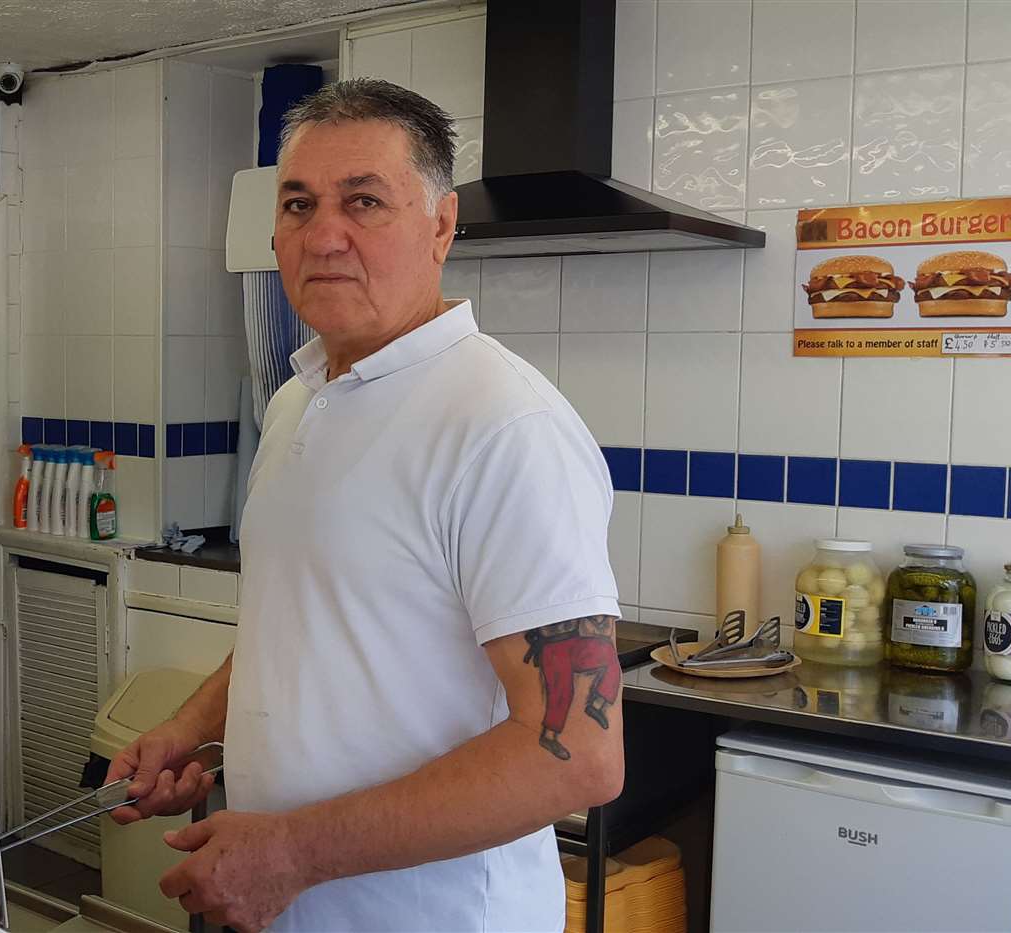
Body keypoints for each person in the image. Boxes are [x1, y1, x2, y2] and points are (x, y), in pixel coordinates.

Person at [102, 78, 625, 932]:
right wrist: (192, 729)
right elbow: (307, 626)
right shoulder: (298, 401)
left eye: (364, 201)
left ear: (442, 226)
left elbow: (578, 755)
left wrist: (295, 851)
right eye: (299, 204)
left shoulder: (501, 425)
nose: (325, 235)